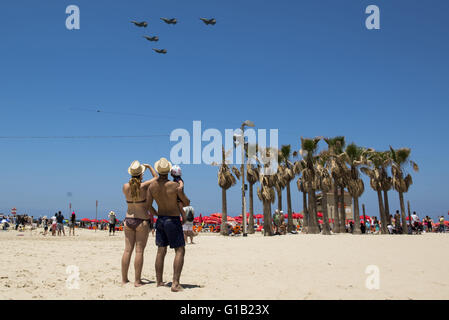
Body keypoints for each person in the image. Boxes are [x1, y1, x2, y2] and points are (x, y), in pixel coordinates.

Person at [147, 157, 190, 292]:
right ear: (169, 171)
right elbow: (187, 202)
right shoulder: (174, 186)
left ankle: (159, 281)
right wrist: (180, 191)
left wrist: (156, 214)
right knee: (180, 250)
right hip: (173, 219)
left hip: (161, 219)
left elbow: (148, 205)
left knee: (161, 251)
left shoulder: (152, 186)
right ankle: (175, 283)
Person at [121, 160, 158, 287]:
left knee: (127, 251)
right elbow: (156, 177)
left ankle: (124, 279)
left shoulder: (125, 187)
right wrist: (149, 166)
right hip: (141, 221)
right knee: (139, 251)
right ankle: (137, 281)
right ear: (141, 174)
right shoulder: (144, 186)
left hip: (128, 219)